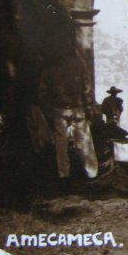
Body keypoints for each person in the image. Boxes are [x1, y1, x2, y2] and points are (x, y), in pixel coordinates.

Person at [38, 43, 99, 181]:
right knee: (83, 141)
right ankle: (91, 172)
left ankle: (64, 174)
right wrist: (88, 105)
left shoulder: (49, 68)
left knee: (61, 144)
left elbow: (43, 92)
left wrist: (49, 108)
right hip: (77, 108)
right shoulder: (78, 65)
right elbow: (87, 86)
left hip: (59, 109)